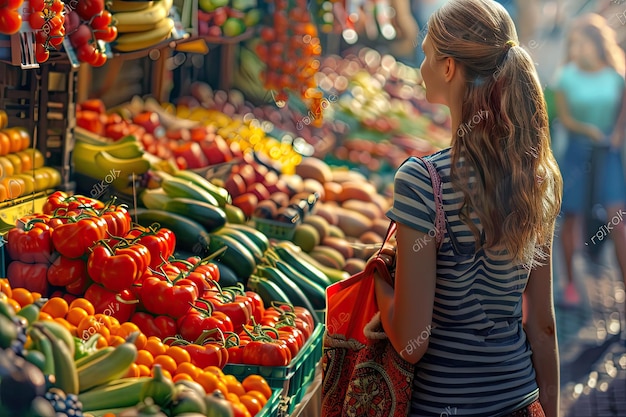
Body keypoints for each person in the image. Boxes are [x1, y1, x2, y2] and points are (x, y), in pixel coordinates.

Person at [373, 0, 562, 416]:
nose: (420, 66)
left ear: (448, 68)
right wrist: (549, 407)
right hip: (520, 401)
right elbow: (542, 327)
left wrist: (379, 286)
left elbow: (411, 342)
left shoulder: (423, 181)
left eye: (425, 54)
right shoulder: (538, 177)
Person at [553, 13, 626, 306]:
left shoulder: (616, 76)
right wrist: (590, 131)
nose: (577, 50)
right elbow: (565, 118)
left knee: (617, 220)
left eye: (582, 44)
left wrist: (616, 134)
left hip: (607, 154)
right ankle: (569, 284)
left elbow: (621, 114)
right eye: (574, 44)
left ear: (597, 44)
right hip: (576, 154)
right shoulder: (565, 77)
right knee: (570, 218)